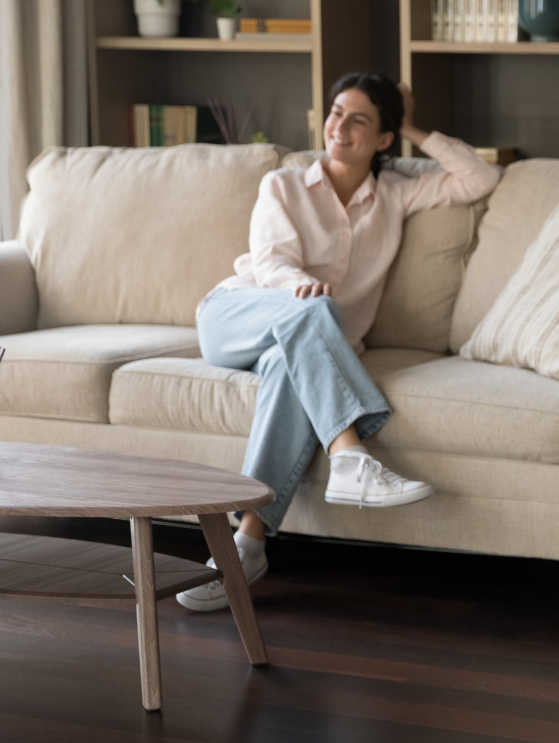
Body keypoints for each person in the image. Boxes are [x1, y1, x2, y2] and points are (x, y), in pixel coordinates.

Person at [176, 73, 502, 612]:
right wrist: (298, 289)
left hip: (301, 341)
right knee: (312, 312)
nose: (339, 127)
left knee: (290, 364)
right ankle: (350, 455)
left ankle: (246, 546)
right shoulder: (283, 184)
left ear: (382, 139)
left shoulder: (395, 192)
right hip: (236, 315)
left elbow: (479, 178)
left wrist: (414, 123)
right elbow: (270, 261)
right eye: (334, 113)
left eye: (359, 120)